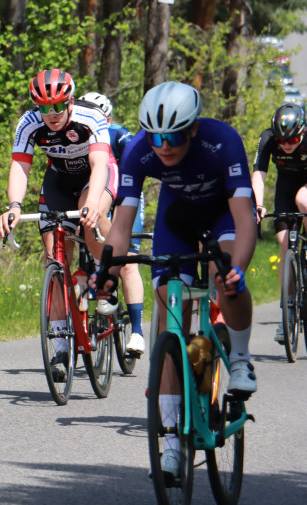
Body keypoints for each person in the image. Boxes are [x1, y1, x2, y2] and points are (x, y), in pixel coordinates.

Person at [92, 81, 256, 480]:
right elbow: (123, 226)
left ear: (193, 129)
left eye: (173, 136)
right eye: (156, 136)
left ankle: (240, 360)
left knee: (222, 274)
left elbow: (244, 218)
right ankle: (170, 444)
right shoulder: (139, 151)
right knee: (167, 304)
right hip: (177, 217)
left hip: (222, 213)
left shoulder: (223, 142)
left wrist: (239, 266)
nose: (164, 145)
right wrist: (108, 271)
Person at [0, 69, 116, 381]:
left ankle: (105, 279)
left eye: (57, 107)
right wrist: (14, 206)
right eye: (44, 108)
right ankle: (60, 346)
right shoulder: (30, 123)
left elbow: (100, 164)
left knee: (88, 217)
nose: (50, 114)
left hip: (93, 178)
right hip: (58, 180)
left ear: (70, 102)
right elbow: (20, 167)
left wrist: (91, 203)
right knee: (54, 258)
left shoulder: (91, 118)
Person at [79, 91, 147, 356]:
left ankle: (138, 332)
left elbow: (135, 165)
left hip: (125, 195)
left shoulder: (119, 134)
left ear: (107, 118)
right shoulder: (79, 137)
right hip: (95, 197)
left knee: (128, 261)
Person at [251, 102, 307, 344]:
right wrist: (258, 205)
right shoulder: (268, 138)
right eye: (282, 141)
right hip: (285, 187)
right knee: (285, 248)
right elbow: (259, 175)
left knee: (303, 200)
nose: (286, 145)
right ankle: (288, 313)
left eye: (293, 141)